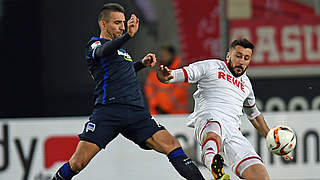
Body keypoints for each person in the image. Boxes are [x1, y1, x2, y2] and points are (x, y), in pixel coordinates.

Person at [52, 3, 205, 180]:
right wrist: (127, 36)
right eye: (117, 23)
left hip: (136, 112)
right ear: (103, 24)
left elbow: (122, 71)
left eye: (123, 23)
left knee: (172, 144)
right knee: (78, 163)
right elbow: (102, 52)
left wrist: (141, 63)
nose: (122, 26)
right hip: (109, 111)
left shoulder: (121, 51)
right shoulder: (95, 45)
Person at [156, 39, 293, 180]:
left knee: (261, 177)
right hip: (208, 119)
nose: (241, 61)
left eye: (246, 58)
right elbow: (177, 74)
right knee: (215, 128)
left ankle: (216, 165)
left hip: (233, 132)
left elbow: (254, 116)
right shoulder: (212, 66)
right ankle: (212, 162)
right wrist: (167, 76)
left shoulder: (246, 85)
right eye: (238, 56)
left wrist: (273, 139)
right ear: (228, 56)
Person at [145, 44, 189, 114]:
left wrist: (165, 108)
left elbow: (179, 92)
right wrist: (156, 105)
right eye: (162, 55)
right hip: (157, 114)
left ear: (172, 56)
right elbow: (149, 90)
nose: (163, 57)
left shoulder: (180, 71)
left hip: (177, 116)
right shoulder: (155, 71)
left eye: (166, 55)